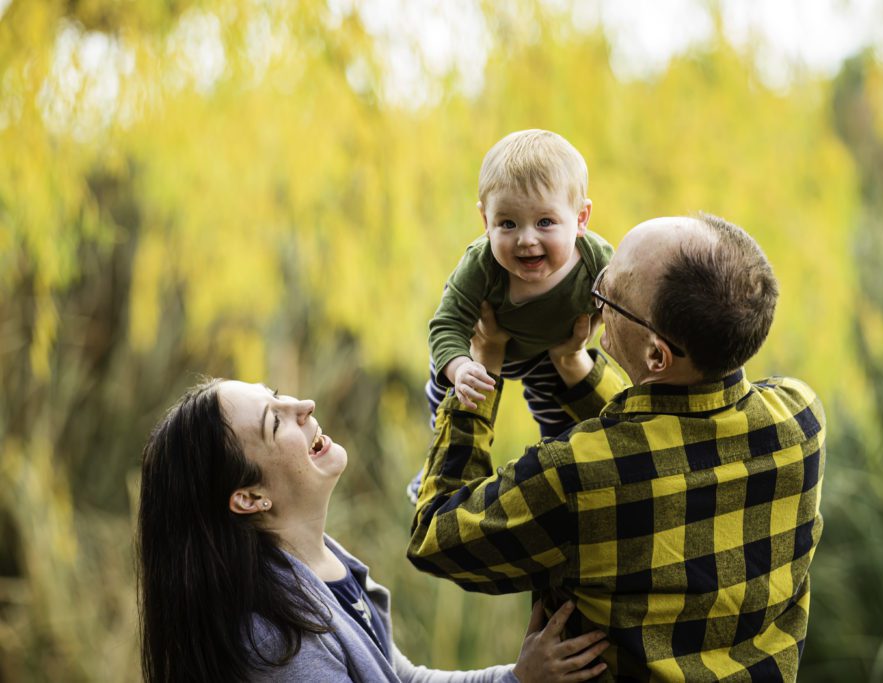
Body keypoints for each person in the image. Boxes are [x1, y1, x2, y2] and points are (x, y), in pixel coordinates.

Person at [408, 214, 827, 681]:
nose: (593, 294)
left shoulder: (575, 476)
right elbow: (661, 440)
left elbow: (434, 537)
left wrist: (482, 368)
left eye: (609, 293)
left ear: (656, 355)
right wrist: (574, 366)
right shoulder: (799, 420)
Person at [137, 378, 611, 682]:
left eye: (277, 393)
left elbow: (401, 677)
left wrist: (519, 677)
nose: (304, 404)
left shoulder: (320, 565)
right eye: (274, 421)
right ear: (249, 498)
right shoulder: (277, 644)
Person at [408, 129, 614, 502]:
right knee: (451, 402)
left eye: (545, 222)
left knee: (564, 425)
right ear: (485, 220)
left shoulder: (597, 259)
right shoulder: (481, 265)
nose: (526, 239)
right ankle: (433, 468)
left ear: (581, 218)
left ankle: (562, 482)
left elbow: (626, 302)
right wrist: (459, 367)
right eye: (507, 224)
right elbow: (446, 323)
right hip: (480, 353)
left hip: (549, 355)